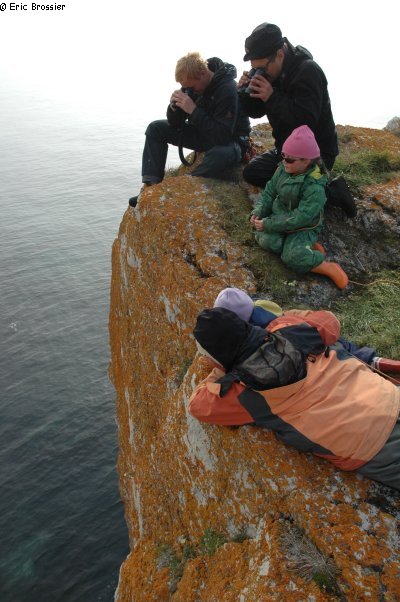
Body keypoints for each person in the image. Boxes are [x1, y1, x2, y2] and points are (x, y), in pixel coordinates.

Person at [189, 307, 400, 490]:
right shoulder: (290, 328)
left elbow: (198, 406)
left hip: (375, 449)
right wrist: (283, 318)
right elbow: (329, 320)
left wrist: (219, 370)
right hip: (389, 398)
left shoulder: (243, 393)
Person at [128, 52, 251, 207]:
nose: (189, 90)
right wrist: (174, 107)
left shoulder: (227, 88)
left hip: (231, 140)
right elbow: (175, 124)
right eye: (184, 87)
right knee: (155, 128)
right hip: (204, 133)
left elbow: (222, 136)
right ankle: (150, 187)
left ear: (202, 73)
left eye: (191, 87)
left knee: (219, 154)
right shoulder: (194, 86)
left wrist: (193, 110)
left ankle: (186, 184)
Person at [238, 23, 338, 190]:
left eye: (261, 68)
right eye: (254, 68)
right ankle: (301, 180)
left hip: (316, 153)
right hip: (286, 150)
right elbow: (255, 111)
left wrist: (271, 96)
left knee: (292, 185)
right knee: (252, 173)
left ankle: (329, 188)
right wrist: (243, 93)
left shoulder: (308, 71)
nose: (259, 72)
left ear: (279, 54)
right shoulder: (273, 71)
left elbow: (306, 125)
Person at [213, 286, 400, 374]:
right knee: (342, 347)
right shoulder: (269, 310)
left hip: (309, 361)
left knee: (342, 365)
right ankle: (374, 361)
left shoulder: (253, 336)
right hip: (318, 338)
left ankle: (371, 372)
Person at [250, 125, 349, 289]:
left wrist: (269, 224)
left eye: (289, 159)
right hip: (279, 217)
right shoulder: (282, 169)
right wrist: (258, 212)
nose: (284, 161)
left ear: (306, 161)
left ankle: (327, 267)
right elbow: (269, 192)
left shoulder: (315, 187)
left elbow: (301, 217)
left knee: (291, 257)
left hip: (304, 226)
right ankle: (304, 249)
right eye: (283, 155)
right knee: (268, 241)